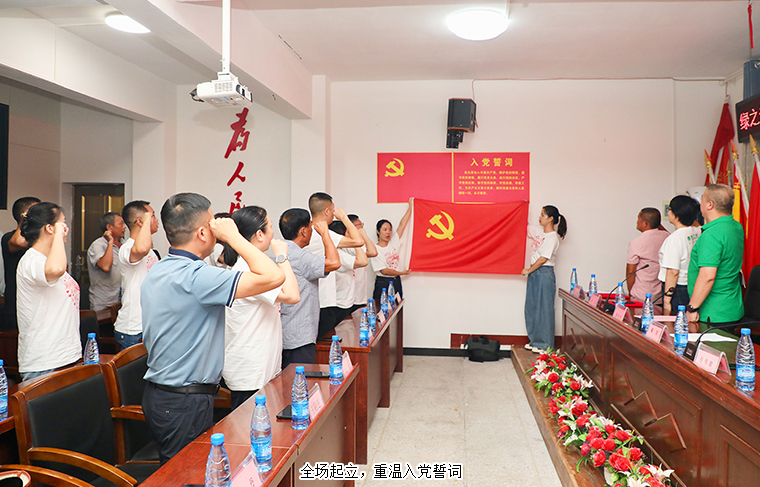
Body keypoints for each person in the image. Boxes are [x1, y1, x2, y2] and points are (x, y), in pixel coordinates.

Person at [141, 193, 285, 464]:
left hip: (164, 395)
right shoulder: (198, 276)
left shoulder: (160, 269)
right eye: (213, 223)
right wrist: (234, 237)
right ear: (202, 232)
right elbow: (275, 277)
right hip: (184, 400)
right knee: (186, 475)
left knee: (180, 471)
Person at [222, 206, 300, 410]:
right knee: (252, 427)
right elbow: (292, 295)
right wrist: (282, 257)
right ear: (259, 234)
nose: (273, 233)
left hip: (261, 366)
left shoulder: (254, 264)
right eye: (270, 227)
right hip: (250, 371)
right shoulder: (248, 268)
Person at [16, 202, 81, 381]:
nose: (66, 228)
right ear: (50, 228)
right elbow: (56, 269)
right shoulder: (31, 260)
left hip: (66, 356)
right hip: (45, 362)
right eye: (63, 223)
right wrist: (59, 235)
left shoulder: (48, 259)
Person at [279, 208, 340, 368]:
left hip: (283, 332)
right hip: (300, 337)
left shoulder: (279, 253)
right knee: (299, 379)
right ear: (303, 231)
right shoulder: (301, 257)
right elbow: (334, 262)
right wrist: (325, 234)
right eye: (310, 227)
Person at [305, 192, 364, 338]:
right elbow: (358, 241)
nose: (334, 213)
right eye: (333, 209)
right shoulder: (322, 233)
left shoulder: (308, 232)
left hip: (314, 299)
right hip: (323, 302)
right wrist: (344, 218)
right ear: (327, 211)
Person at [686, 184, 744, 324]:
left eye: (702, 199)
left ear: (710, 205)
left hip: (712, 312)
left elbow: (707, 276)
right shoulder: (736, 226)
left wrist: (692, 308)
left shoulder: (712, 234)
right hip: (732, 307)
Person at [113, 200, 159, 350]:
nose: (156, 220)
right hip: (133, 328)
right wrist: (146, 222)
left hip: (149, 324)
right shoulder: (127, 248)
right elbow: (142, 248)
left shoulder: (150, 251)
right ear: (140, 221)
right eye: (152, 216)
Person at [521, 205, 567, 353]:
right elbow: (523, 225)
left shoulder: (553, 238)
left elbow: (543, 259)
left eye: (543, 215)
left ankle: (545, 345)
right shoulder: (538, 231)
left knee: (544, 309)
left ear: (551, 218)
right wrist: (520, 208)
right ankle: (535, 341)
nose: (539, 217)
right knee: (532, 307)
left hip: (544, 273)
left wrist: (528, 270)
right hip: (534, 273)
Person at [1, 197, 40, 331]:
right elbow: (19, 241)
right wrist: (26, 218)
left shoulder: (40, 240)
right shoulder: (8, 237)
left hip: (37, 305)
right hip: (16, 307)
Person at [658, 196, 701, 315]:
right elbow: (696, 224)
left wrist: (667, 300)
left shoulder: (674, 239)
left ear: (675, 214)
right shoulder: (698, 231)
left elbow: (673, 272)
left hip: (677, 289)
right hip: (693, 284)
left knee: (677, 321)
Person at [370, 200, 412, 304]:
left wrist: (411, 207)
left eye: (389, 230)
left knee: (397, 308)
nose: (388, 232)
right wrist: (401, 273)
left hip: (396, 281)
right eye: (385, 230)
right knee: (381, 310)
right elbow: (384, 271)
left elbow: (402, 224)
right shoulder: (374, 250)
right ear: (378, 231)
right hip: (383, 283)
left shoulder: (394, 242)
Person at [625, 208, 669, 303]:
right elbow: (667, 233)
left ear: (645, 223)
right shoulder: (667, 237)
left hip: (641, 294)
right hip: (661, 294)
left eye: (638, 219)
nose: (637, 222)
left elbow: (631, 271)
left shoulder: (636, 243)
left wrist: (630, 292)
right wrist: (656, 223)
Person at [86, 211, 127, 311]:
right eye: (121, 224)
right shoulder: (98, 245)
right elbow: (105, 266)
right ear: (109, 227)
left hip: (122, 299)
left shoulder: (125, 244)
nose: (124, 227)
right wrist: (110, 242)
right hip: (103, 302)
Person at [329, 220, 369, 315]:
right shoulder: (338, 254)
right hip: (341, 304)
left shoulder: (339, 251)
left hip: (345, 301)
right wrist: (356, 242)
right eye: (348, 232)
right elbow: (363, 261)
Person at [348, 214, 377, 308]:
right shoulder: (350, 243)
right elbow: (373, 252)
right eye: (360, 224)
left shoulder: (358, 243)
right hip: (353, 297)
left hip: (360, 294)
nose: (362, 227)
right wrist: (364, 235)